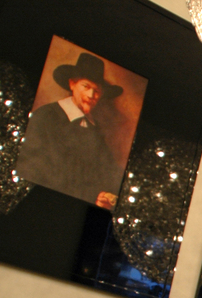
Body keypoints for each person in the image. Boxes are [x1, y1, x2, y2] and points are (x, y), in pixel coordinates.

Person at [17, 52, 124, 210]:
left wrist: (105, 197)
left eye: (97, 91)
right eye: (86, 86)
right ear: (72, 84)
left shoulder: (94, 129)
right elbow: (29, 170)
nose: (91, 95)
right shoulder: (44, 116)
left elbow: (108, 171)